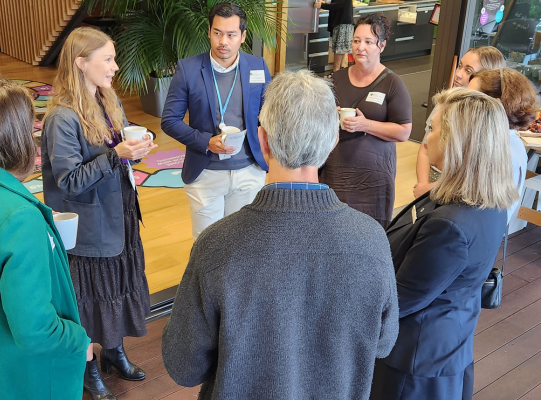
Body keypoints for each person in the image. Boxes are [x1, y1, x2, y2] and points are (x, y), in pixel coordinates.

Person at [162, 69, 399, 400]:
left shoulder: (216, 245)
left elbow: (183, 367)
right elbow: (384, 344)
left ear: (262, 140)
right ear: (333, 141)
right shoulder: (372, 240)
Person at [0, 78, 90, 399]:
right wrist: (78, 341)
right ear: (17, 137)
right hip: (16, 376)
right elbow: (35, 331)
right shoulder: (19, 218)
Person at [371, 88, 519, 400]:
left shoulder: (449, 227)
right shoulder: (485, 200)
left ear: (457, 140)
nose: (426, 139)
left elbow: (397, 302)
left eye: (433, 128)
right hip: (449, 345)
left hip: (414, 365)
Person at [42, 27, 157, 400]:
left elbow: (117, 147)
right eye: (107, 58)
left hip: (119, 214)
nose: (115, 66)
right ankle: (88, 366)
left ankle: (113, 351)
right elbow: (69, 180)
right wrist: (116, 156)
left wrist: (136, 147)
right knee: (91, 301)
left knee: (119, 288)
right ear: (80, 62)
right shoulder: (62, 117)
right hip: (89, 228)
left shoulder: (108, 99)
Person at [161, 2, 271, 240]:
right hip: (205, 173)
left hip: (249, 171)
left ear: (242, 36)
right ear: (209, 31)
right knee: (207, 245)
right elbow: (169, 120)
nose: (224, 41)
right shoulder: (188, 69)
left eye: (231, 35)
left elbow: (270, 115)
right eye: (218, 33)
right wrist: (205, 141)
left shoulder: (258, 66)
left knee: (243, 244)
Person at [319, 13, 412, 228]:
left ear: (382, 45)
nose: (360, 47)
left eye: (368, 42)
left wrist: (366, 125)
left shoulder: (392, 83)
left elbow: (404, 131)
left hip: (373, 179)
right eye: (356, 41)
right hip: (335, 172)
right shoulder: (337, 78)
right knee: (332, 228)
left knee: (368, 232)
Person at [414, 46, 506, 198]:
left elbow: (474, 176)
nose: (458, 74)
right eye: (460, 66)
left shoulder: (487, 121)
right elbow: (425, 148)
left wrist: (433, 189)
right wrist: (423, 186)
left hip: (455, 192)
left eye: (468, 71)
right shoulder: (444, 103)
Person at [468, 68, 536, 222]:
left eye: (471, 99)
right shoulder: (501, 140)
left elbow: (478, 211)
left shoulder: (502, 152)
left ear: (494, 105)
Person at [314, 0, 353, 73]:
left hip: (343, 23)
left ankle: (336, 71)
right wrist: (325, 3)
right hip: (341, 23)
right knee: (340, 48)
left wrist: (323, 5)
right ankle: (339, 71)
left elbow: (339, 4)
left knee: (339, 48)